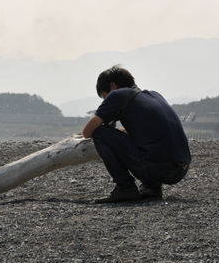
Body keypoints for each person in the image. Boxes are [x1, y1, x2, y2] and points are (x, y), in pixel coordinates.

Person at [82, 65, 191, 203]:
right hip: (180, 169)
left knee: (100, 133)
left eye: (105, 97)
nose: (105, 101)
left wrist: (107, 122)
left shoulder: (117, 95)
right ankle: (151, 188)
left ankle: (125, 188)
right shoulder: (154, 95)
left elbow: (87, 132)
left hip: (160, 169)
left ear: (113, 86)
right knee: (140, 136)